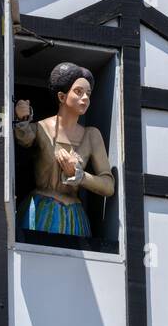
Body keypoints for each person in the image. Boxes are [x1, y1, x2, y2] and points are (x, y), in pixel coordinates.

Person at [13, 62, 114, 236]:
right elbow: (24, 138)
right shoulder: (41, 128)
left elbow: (108, 186)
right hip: (39, 213)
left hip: (74, 217)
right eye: (78, 92)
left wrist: (80, 176)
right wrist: (22, 118)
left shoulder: (92, 135)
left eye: (88, 94)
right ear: (61, 96)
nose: (85, 99)